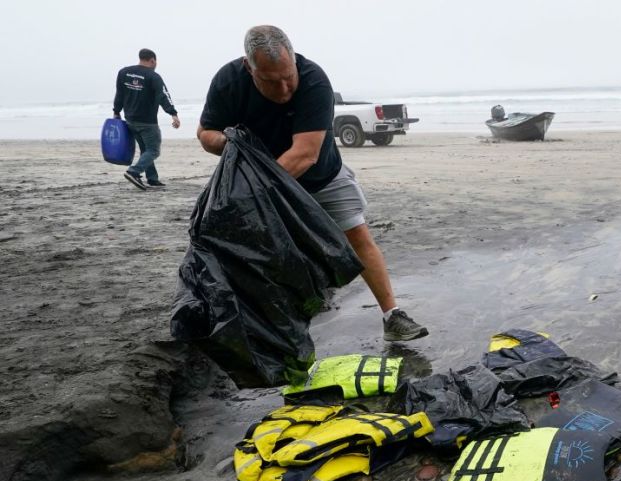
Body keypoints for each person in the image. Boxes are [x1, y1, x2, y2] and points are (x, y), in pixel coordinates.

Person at [196, 25, 428, 342]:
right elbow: (205, 134)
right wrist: (230, 142)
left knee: (358, 237)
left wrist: (258, 198)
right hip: (260, 184)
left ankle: (392, 316)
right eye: (271, 80)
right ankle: (280, 335)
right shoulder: (228, 82)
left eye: (288, 76)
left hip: (320, 177)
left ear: (294, 60)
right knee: (271, 258)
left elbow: (304, 154)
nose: (284, 89)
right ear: (249, 67)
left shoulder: (314, 80)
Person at [113, 48, 180, 190]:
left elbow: (119, 94)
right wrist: (173, 114)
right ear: (152, 60)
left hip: (130, 119)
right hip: (147, 122)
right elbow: (163, 95)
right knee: (154, 150)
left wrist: (116, 112)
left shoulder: (124, 72)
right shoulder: (153, 76)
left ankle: (152, 178)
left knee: (145, 149)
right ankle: (134, 171)